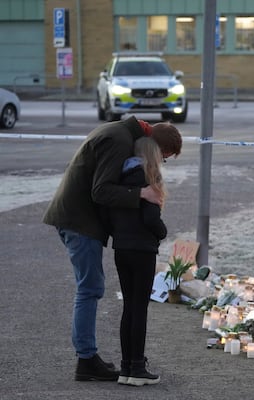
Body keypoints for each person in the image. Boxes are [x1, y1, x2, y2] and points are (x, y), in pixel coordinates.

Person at [42, 116, 182, 381]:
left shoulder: (120, 133)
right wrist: (142, 194)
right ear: (153, 146)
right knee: (90, 288)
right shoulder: (119, 140)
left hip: (78, 219)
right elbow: (101, 190)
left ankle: (94, 359)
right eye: (163, 157)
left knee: (94, 288)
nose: (160, 163)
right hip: (78, 220)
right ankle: (86, 360)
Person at [108, 137, 167, 386]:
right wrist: (162, 233)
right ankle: (137, 369)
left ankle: (125, 367)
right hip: (142, 250)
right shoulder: (148, 181)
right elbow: (151, 218)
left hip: (121, 249)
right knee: (140, 309)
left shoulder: (121, 180)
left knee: (129, 308)